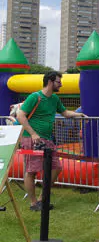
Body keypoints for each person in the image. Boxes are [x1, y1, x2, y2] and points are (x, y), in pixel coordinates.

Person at [16, 71, 86, 211]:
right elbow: (20, 115)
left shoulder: (54, 99)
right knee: (31, 171)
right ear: (50, 82)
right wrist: (33, 134)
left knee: (57, 167)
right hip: (32, 140)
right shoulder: (35, 97)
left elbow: (65, 113)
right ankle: (33, 203)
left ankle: (42, 199)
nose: (61, 84)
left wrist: (79, 114)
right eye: (58, 82)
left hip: (47, 139)